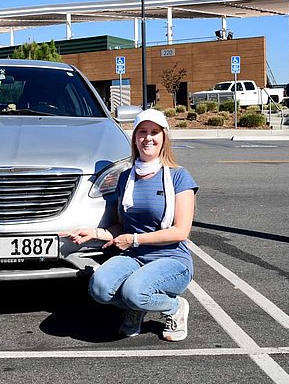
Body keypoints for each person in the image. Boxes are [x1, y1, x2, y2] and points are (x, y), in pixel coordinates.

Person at [61, 108, 198, 341]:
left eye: (154, 132)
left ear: (164, 137)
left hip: (172, 259)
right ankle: (138, 305)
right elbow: (122, 227)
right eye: (142, 132)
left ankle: (173, 307)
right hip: (135, 257)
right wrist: (93, 233)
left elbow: (180, 231)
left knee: (134, 292)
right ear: (134, 138)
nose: (148, 138)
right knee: (99, 288)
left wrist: (134, 240)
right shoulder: (126, 177)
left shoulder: (179, 177)